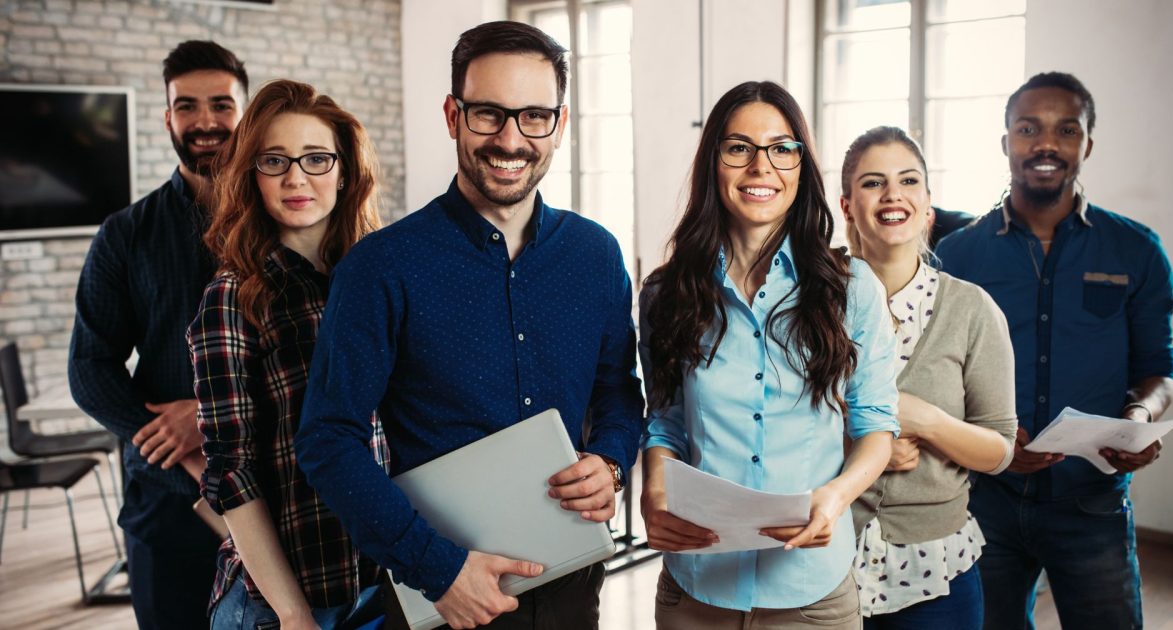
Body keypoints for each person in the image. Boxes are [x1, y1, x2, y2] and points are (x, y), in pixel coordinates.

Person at [294, 21, 644, 630]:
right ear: (453, 115)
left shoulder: (596, 255)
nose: (511, 139)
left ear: (560, 125)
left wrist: (611, 461)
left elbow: (619, 392)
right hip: (443, 596)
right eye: (488, 114)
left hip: (571, 587)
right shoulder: (380, 268)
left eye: (534, 116)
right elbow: (327, 440)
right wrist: (438, 569)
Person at [638, 81, 898, 630]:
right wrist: (655, 490)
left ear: (802, 166)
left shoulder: (852, 288)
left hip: (811, 590)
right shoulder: (667, 293)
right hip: (696, 585)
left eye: (782, 149)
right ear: (715, 162)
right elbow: (664, 422)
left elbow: (877, 427)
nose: (762, 167)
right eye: (739, 149)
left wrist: (834, 497)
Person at [935, 72, 1173, 629]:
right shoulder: (958, 253)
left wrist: (1138, 418)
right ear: (1006, 143)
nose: (1046, 144)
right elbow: (935, 374)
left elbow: (1157, 369)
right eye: (1028, 129)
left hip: (1092, 502)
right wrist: (986, 439)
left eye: (1066, 130)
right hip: (983, 501)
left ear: (1086, 144)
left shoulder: (1135, 249)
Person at [187, 79, 388, 630]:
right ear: (251, 174)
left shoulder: (376, 279)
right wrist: (293, 614)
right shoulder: (233, 296)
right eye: (274, 160)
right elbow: (233, 475)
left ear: (345, 171)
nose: (296, 177)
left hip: (386, 582)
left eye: (316, 159)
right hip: (284, 603)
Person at [68, 40, 248, 629]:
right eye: (187, 106)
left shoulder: (290, 219)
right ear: (167, 117)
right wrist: (180, 445)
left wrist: (210, 415)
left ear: (246, 114)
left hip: (282, 488)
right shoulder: (124, 234)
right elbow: (90, 368)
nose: (205, 121)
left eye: (222, 104)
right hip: (168, 503)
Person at [839, 126, 1018, 629]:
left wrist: (931, 422)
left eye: (908, 180)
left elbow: (1000, 450)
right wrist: (862, 446)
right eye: (873, 183)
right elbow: (772, 419)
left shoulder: (971, 309)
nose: (893, 194)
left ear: (927, 204)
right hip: (823, 558)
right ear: (847, 205)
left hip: (937, 572)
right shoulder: (810, 301)